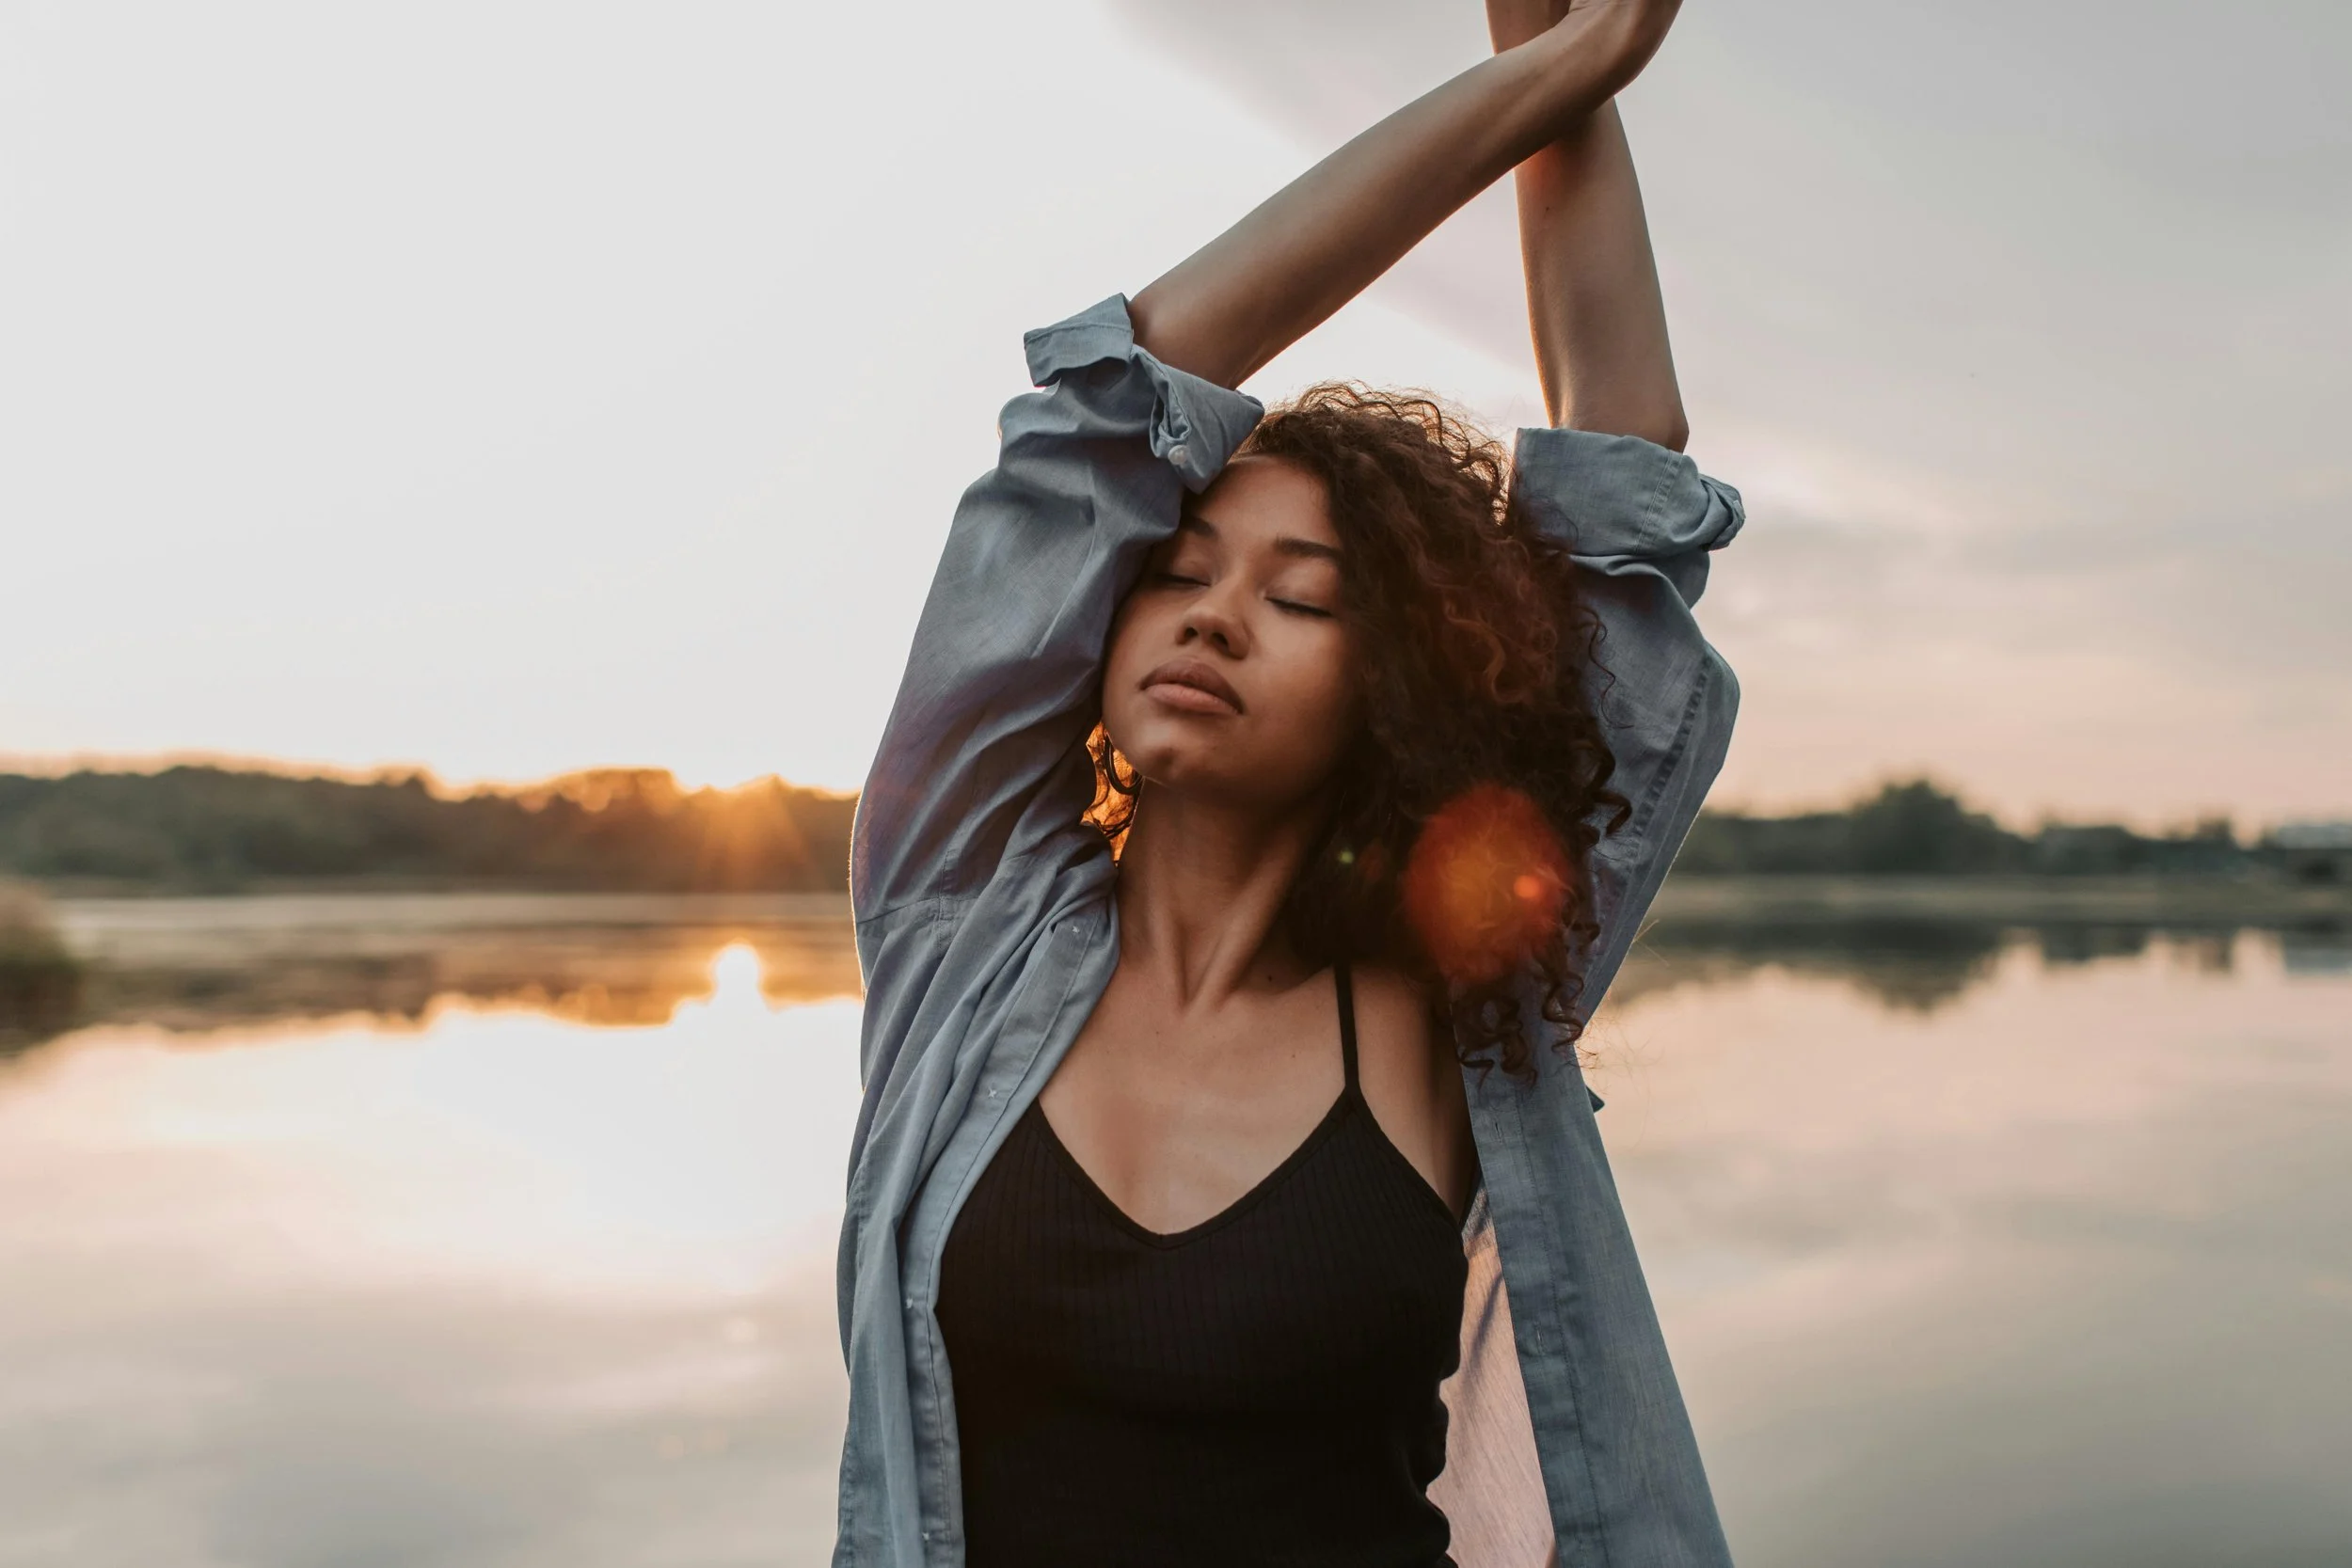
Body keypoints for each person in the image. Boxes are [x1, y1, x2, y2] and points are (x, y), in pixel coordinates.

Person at [835, 0, 1742, 1562]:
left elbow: (1628, 486)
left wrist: (1584, 83)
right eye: (1178, 567)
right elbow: (1107, 409)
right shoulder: (961, 919)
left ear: (1396, 686)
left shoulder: (1466, 994)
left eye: (1303, 595)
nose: (1213, 610)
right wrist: (1534, 73)